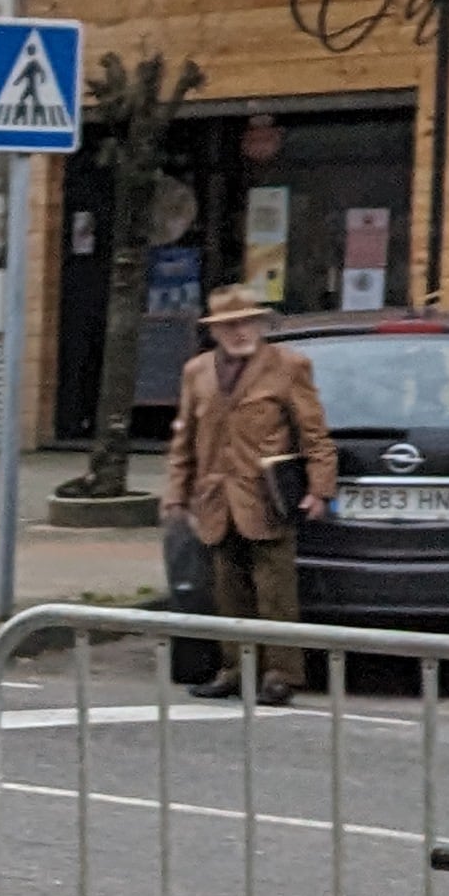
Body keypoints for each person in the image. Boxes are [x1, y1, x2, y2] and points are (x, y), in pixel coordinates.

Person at [162, 282, 337, 701]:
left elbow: (315, 435)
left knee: (276, 590)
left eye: (248, 323)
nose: (240, 332)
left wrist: (320, 489)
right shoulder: (197, 371)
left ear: (260, 325)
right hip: (215, 498)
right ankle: (236, 668)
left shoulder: (288, 366)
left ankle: (281, 674)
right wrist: (174, 493)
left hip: (268, 497)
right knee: (227, 589)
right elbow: (184, 438)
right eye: (230, 325)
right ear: (215, 331)